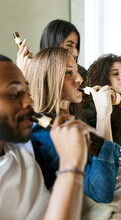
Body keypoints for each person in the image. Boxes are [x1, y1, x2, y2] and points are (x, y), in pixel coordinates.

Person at [22, 47, 121, 203]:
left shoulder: (71, 116)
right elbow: (101, 192)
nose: (80, 79)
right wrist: (102, 116)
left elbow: (107, 168)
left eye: (77, 71)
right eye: (68, 72)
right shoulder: (45, 131)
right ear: (48, 80)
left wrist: (106, 114)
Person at [0, 54, 92, 220]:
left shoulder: (18, 146)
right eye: (14, 94)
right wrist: (70, 167)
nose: (29, 101)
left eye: (27, 91)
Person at [17, 19, 87, 81]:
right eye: (69, 45)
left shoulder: (81, 73)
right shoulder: (35, 73)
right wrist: (24, 75)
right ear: (52, 45)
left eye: (76, 46)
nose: (76, 54)